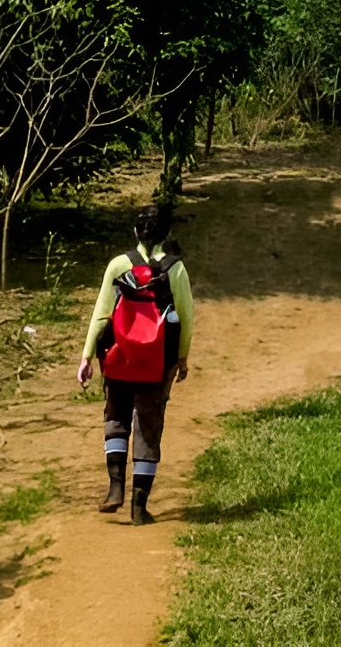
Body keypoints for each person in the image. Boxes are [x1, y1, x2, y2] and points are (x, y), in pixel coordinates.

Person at [76, 204, 195, 523]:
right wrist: (181, 358)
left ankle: (115, 488)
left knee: (115, 417)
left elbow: (101, 314)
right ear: (165, 234)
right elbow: (185, 318)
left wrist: (87, 356)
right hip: (157, 364)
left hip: (118, 357)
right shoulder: (175, 269)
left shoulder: (118, 265)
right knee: (148, 427)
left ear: (135, 231)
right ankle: (139, 508)